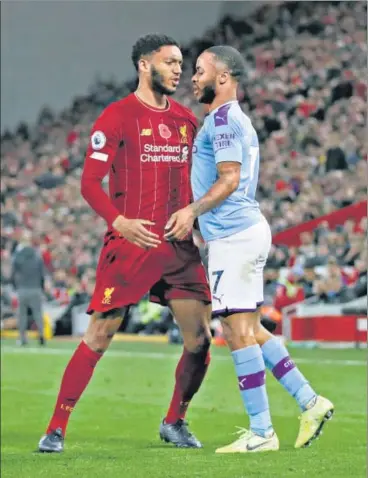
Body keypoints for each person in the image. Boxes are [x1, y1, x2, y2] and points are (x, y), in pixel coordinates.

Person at [38, 34, 212, 453]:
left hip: (179, 247)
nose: (177, 70)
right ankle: (56, 427)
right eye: (169, 62)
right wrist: (120, 221)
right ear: (144, 65)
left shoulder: (187, 121)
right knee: (100, 334)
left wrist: (194, 216)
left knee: (200, 339)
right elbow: (88, 183)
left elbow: (199, 181)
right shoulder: (117, 116)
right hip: (131, 244)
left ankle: (175, 420)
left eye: (181, 63)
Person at [164, 45, 334, 453]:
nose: (193, 77)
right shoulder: (231, 119)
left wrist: (191, 211)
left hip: (234, 237)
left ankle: (262, 432)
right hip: (244, 232)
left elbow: (228, 179)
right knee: (252, 329)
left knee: (236, 332)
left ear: (222, 78)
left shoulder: (223, 121)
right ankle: (310, 402)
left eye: (201, 71)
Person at [11, 231, 46, 346]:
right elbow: (42, 274)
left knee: (22, 315)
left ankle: (22, 338)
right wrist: (41, 287)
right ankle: (41, 335)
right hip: (35, 288)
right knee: (37, 314)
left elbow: (14, 271)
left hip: (23, 289)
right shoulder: (37, 256)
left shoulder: (18, 256)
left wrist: (16, 286)